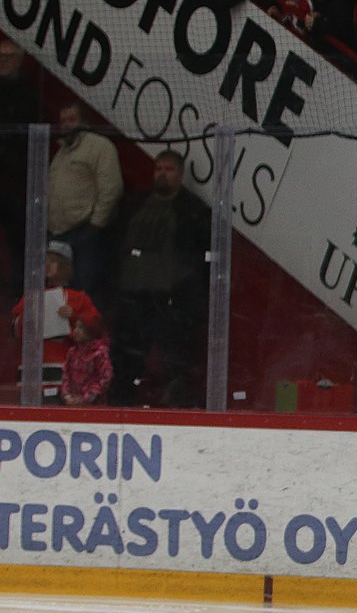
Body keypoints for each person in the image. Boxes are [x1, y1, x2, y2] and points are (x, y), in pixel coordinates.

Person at [108, 150, 213, 408]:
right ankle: (121, 405)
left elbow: (201, 261)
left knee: (176, 360)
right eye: (158, 169)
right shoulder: (133, 204)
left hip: (172, 302)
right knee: (127, 359)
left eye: (169, 169)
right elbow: (115, 247)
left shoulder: (194, 212)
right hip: (133, 297)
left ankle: (177, 408)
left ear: (180, 175)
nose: (162, 174)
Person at [9, 241, 103, 403]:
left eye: (52, 261)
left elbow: (96, 331)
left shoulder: (78, 299)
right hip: (31, 372)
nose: (47, 265)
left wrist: (73, 316)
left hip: (64, 372)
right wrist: (28, 318)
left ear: (65, 266)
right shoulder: (31, 297)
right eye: (44, 261)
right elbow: (14, 329)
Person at [47, 101, 122, 298]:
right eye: (63, 121)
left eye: (72, 119)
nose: (67, 125)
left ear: (84, 121)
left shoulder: (99, 146)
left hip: (84, 232)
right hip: (58, 234)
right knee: (59, 292)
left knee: (83, 292)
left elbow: (111, 187)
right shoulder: (61, 152)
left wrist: (96, 225)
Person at [0, 36, 40, 293]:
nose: (3, 61)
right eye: (0, 56)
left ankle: (17, 286)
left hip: (12, 177)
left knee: (17, 232)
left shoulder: (28, 93)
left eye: (8, 56)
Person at [303, 0, 356, 65]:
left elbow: (342, 34)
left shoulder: (340, 6)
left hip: (337, 60)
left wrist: (317, 23)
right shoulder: (310, 1)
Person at [61, 315, 111, 407]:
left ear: (90, 330)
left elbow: (105, 378)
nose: (76, 331)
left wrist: (85, 398)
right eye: (75, 327)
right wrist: (66, 395)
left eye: (80, 328)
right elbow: (65, 374)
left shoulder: (99, 352)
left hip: (94, 408)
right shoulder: (72, 352)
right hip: (72, 406)